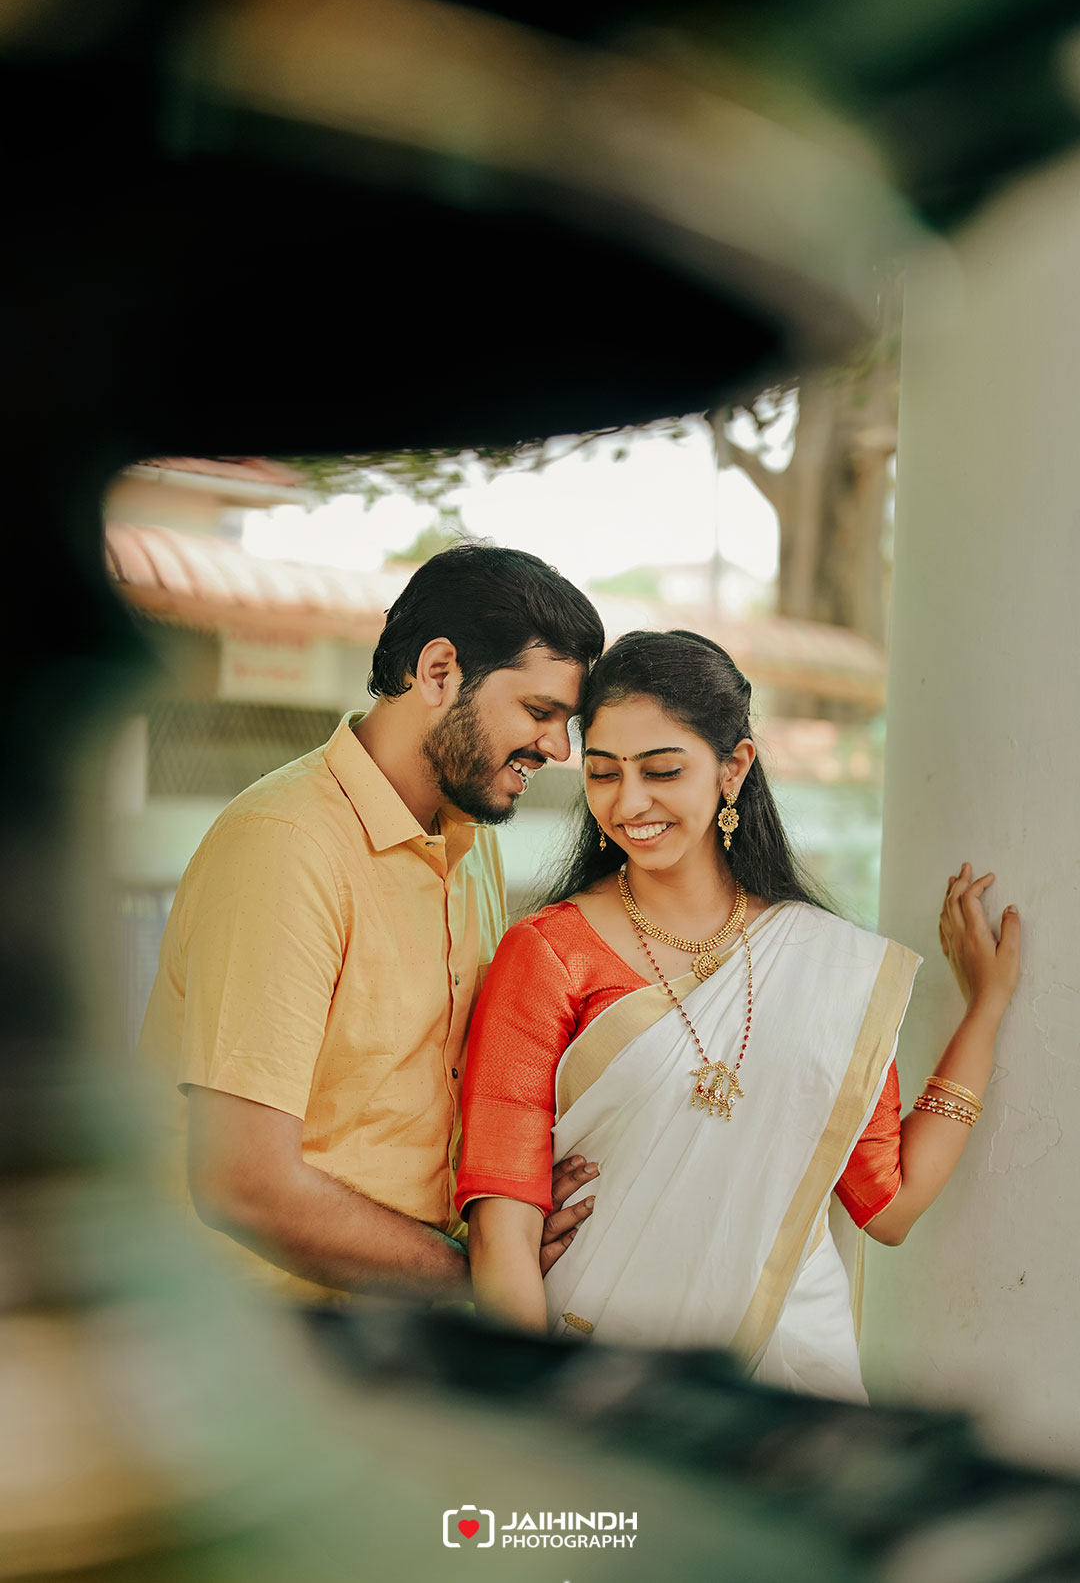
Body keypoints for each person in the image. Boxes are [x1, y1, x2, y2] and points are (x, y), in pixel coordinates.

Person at [456, 630, 1020, 1400]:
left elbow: (890, 1206)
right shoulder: (550, 954)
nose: (629, 803)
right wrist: (535, 1418)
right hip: (597, 1386)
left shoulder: (825, 968)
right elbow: (503, 1231)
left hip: (783, 1396)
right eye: (603, 772)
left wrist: (986, 1009)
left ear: (734, 767)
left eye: (662, 771)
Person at [138, 543, 605, 1303]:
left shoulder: (469, 841)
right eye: (539, 711)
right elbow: (242, 1184)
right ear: (439, 671)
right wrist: (479, 1279)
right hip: (277, 1331)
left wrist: (507, 1230)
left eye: (567, 721)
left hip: (407, 1319)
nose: (557, 748)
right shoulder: (286, 847)